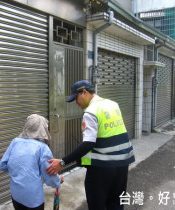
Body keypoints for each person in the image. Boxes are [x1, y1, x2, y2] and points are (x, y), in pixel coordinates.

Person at [46, 80, 135, 210]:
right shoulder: (112, 104)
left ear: (84, 92)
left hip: (102, 168)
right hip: (122, 164)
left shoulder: (90, 112)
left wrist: (63, 162)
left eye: (76, 98)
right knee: (116, 203)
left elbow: (88, 143)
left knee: (96, 205)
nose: (76, 103)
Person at [0, 114, 64, 210]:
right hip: (33, 199)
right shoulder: (43, 148)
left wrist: (19, 173)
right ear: (43, 129)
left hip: (16, 194)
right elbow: (50, 176)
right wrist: (58, 180)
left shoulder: (15, 142)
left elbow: (3, 165)